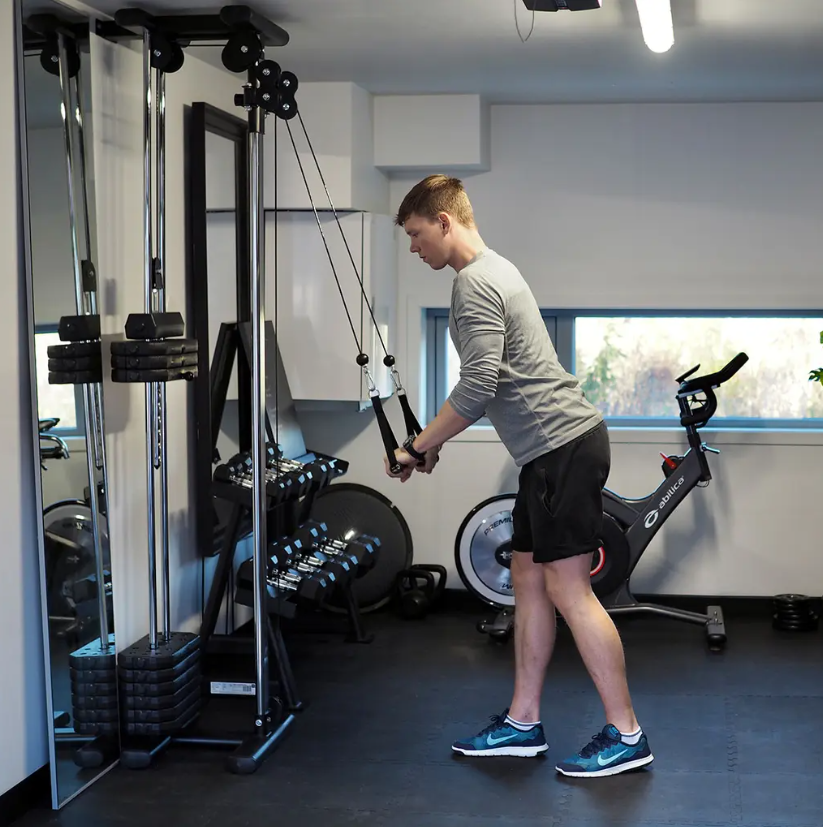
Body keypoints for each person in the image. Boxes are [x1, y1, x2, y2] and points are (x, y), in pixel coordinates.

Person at [385, 174, 653, 778]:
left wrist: (416, 446)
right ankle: (522, 722)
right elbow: (492, 383)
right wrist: (432, 445)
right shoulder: (494, 270)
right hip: (549, 453)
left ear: (444, 222)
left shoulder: (476, 282)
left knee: (570, 591)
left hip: (562, 448)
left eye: (416, 234)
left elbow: (479, 386)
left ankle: (628, 733)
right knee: (528, 581)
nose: (414, 247)